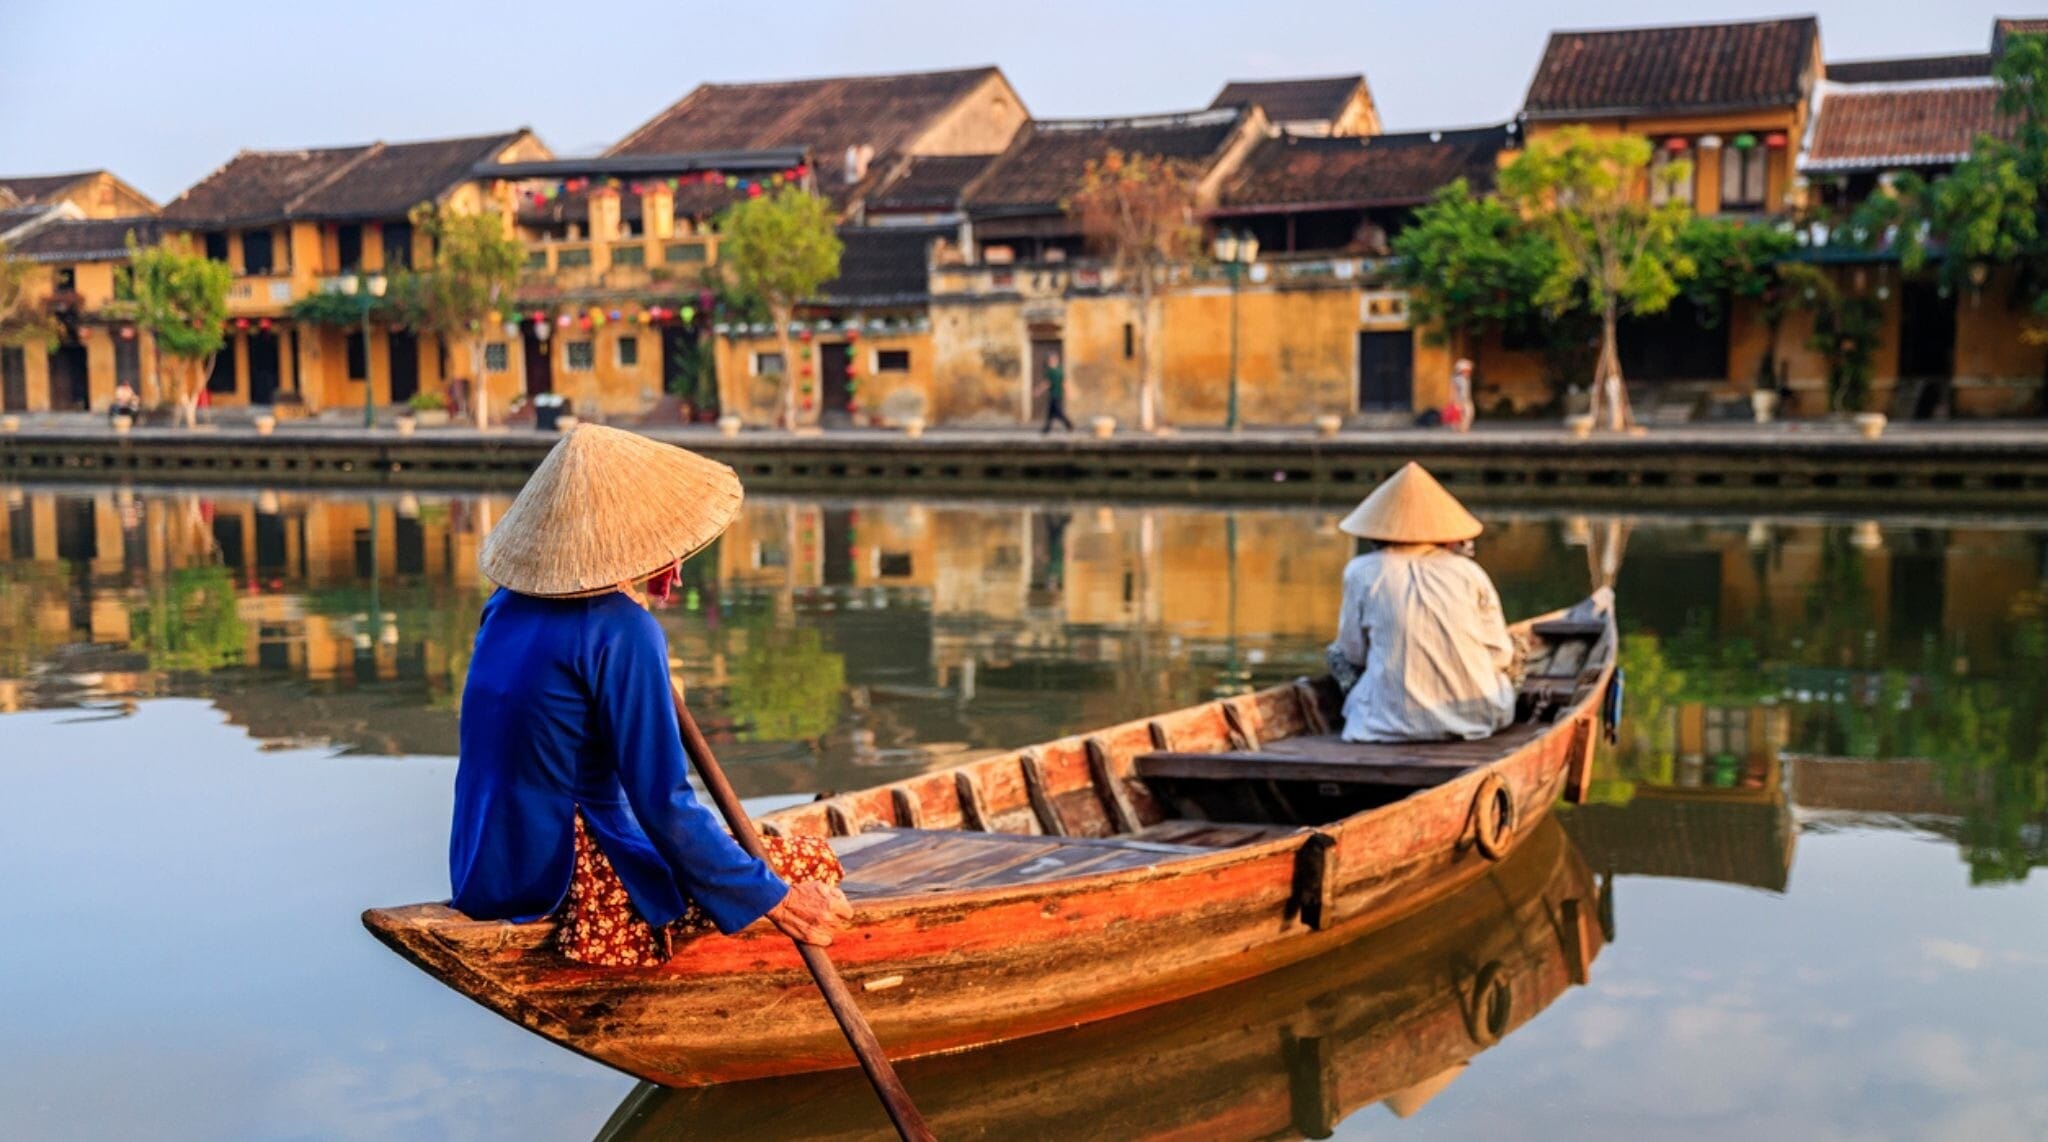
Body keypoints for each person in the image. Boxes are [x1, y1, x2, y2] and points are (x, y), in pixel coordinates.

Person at [450, 424, 851, 967]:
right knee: (814, 861)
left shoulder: (504, 606)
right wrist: (776, 900)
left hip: (482, 865)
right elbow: (662, 802)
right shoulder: (622, 632)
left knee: (757, 852)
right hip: (563, 874)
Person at [1326, 462, 1515, 743]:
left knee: (1336, 655)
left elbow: (1353, 653)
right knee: (1516, 656)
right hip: (1476, 719)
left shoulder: (1361, 571)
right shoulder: (1468, 572)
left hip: (1382, 725)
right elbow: (1500, 654)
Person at [1038, 352, 1072, 434]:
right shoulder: (1060, 370)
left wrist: (1039, 390)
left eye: (1050, 360)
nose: (1049, 362)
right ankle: (1046, 429)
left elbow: (1047, 383)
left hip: (1054, 395)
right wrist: (1068, 392)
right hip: (1058, 394)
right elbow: (1064, 383)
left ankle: (1069, 424)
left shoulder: (1051, 371)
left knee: (1058, 412)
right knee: (1050, 413)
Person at [1448, 359, 1476, 434]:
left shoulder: (1466, 379)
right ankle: (1460, 429)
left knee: (1468, 413)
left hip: (1466, 399)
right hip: (1459, 399)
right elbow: (1454, 390)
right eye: (1467, 370)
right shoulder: (1457, 379)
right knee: (1459, 414)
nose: (1469, 372)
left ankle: (1463, 429)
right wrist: (1454, 400)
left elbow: (1467, 390)